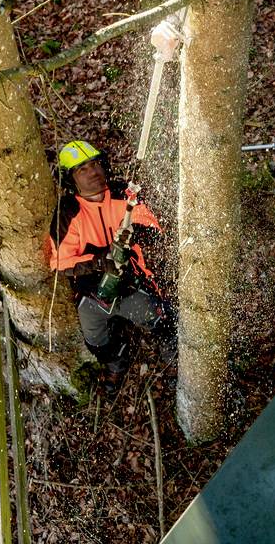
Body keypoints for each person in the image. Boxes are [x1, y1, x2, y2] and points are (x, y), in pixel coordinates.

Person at [48, 140, 173, 387]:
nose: (92, 172)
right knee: (94, 339)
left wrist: (133, 234)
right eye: (82, 169)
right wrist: (99, 262)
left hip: (131, 282)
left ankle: (170, 352)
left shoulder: (124, 195)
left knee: (163, 320)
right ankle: (115, 360)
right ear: (70, 178)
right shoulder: (68, 213)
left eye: (94, 164)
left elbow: (152, 226)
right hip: (94, 291)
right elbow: (59, 262)